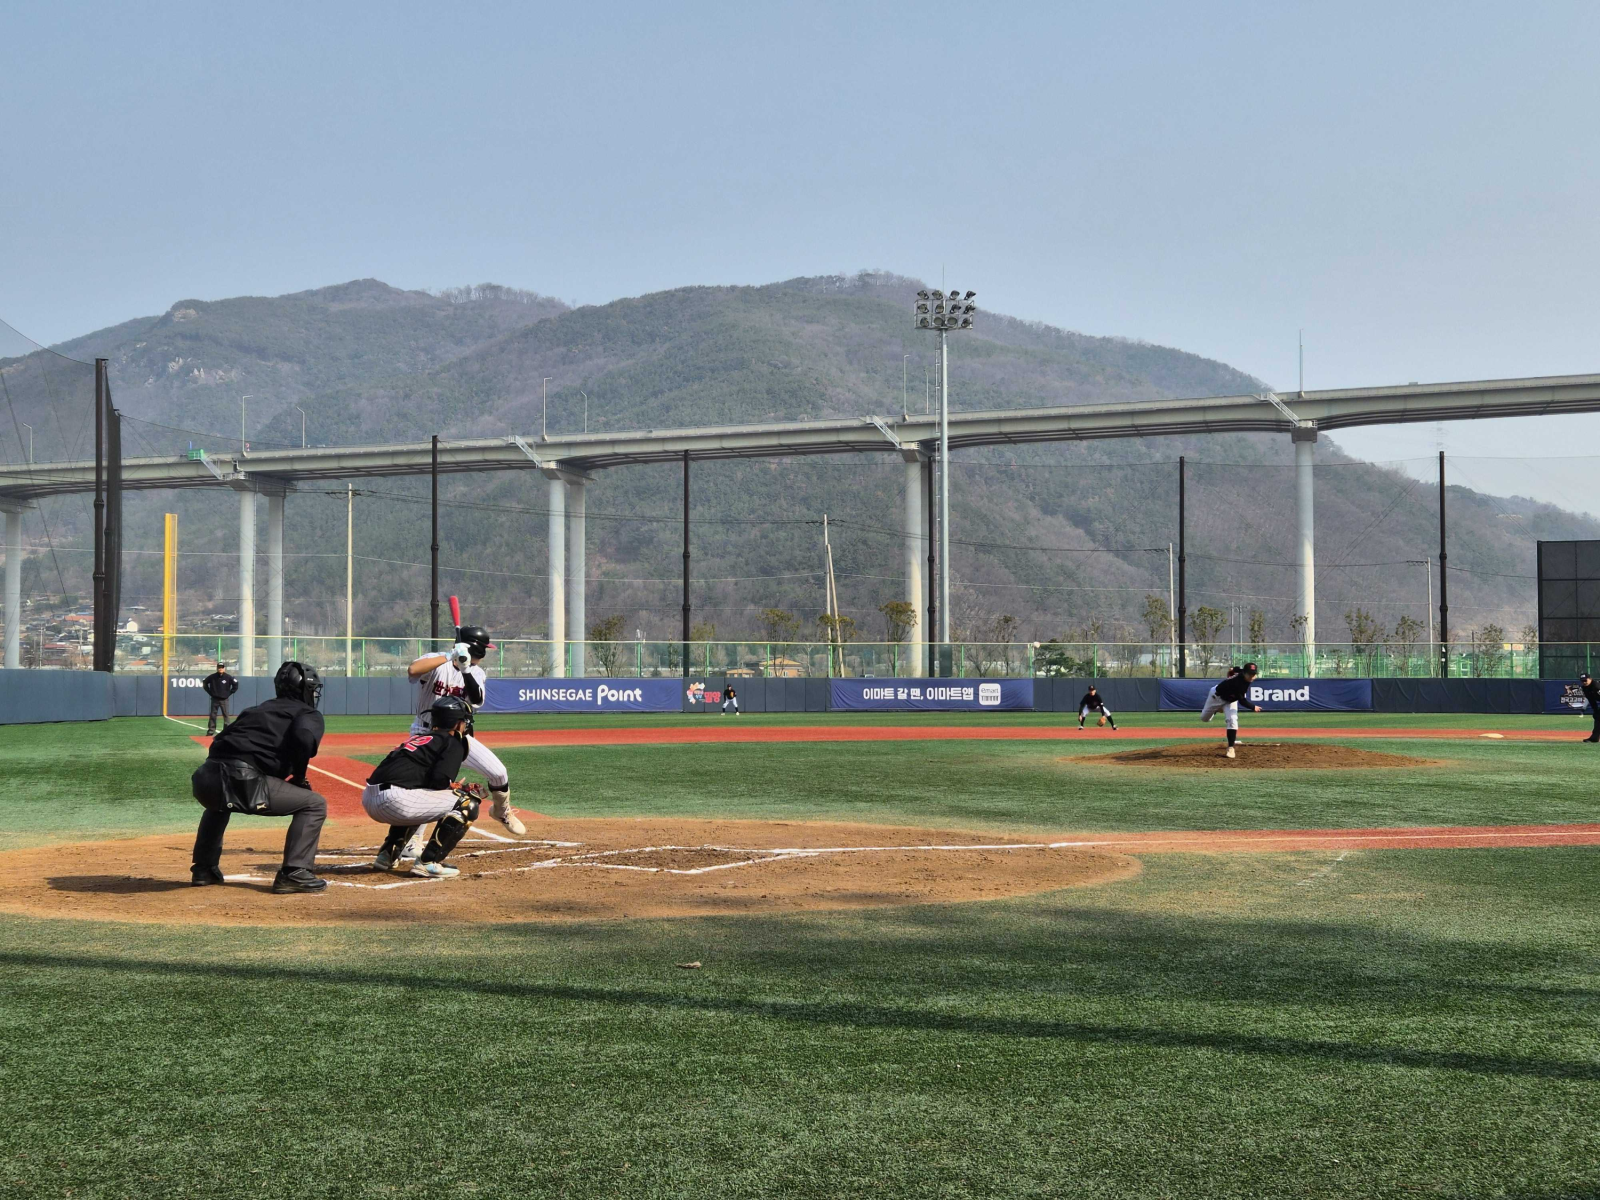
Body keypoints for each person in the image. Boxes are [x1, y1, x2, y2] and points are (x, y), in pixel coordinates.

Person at [190, 661, 329, 893]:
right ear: (305, 689)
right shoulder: (308, 713)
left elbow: (222, 740)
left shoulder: (256, 710)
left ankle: (204, 869)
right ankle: (294, 873)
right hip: (243, 778)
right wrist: (299, 776)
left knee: (218, 805)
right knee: (315, 804)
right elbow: (304, 738)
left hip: (205, 778)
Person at [364, 696, 511, 878]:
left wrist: (450, 787)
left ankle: (387, 855)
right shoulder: (453, 741)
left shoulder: (421, 739)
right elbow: (440, 781)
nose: (465, 725)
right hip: (395, 802)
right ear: (456, 724)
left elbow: (425, 781)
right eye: (464, 721)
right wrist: (462, 789)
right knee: (468, 802)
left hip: (371, 798)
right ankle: (429, 862)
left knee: (420, 795)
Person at [405, 624, 524, 837]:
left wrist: (465, 668)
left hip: (459, 737)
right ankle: (413, 841)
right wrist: (450, 655)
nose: (486, 653)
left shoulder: (476, 672)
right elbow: (413, 670)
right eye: (484, 648)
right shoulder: (437, 660)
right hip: (425, 734)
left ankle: (501, 811)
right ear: (477, 648)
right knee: (428, 788)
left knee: (498, 773)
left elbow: (477, 699)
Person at [1199, 662, 1262, 759]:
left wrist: (1232, 669)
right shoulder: (1238, 683)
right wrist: (1253, 707)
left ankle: (1231, 747)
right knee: (1204, 719)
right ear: (1245, 673)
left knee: (1232, 720)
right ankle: (1216, 710)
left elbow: (1236, 669)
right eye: (1250, 674)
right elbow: (1242, 701)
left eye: (1253, 674)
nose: (1252, 676)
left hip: (1230, 701)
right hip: (1216, 697)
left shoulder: (1243, 674)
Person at [202, 661, 239, 736]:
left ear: (224, 668)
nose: (220, 669)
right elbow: (205, 683)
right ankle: (211, 730)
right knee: (213, 715)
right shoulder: (212, 677)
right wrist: (210, 692)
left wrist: (229, 693)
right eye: (219, 668)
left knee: (226, 715)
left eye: (222, 668)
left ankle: (226, 730)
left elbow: (235, 684)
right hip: (215, 699)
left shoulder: (228, 677)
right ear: (217, 668)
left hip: (224, 699)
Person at [1581, 674, 1600, 743]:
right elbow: (1591, 700)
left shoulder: (1596, 686)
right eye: (1582, 681)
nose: (1584, 682)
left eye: (1585, 680)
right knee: (1598, 717)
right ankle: (1594, 738)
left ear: (1590, 679)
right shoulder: (1585, 688)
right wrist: (1595, 711)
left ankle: (1594, 738)